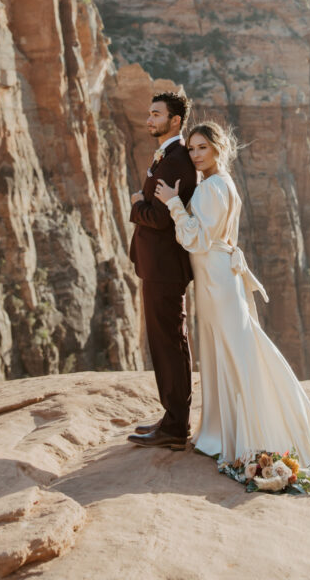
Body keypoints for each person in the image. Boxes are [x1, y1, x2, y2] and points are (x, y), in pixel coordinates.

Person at [154, 120, 310, 493]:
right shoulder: (222, 185)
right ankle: (225, 433)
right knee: (228, 348)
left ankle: (251, 437)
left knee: (235, 351)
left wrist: (173, 204)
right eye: (191, 149)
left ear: (218, 147)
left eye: (202, 147)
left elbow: (195, 240)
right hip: (218, 277)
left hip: (217, 279)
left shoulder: (213, 188)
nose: (195, 154)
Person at [127, 92, 197, 450]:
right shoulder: (168, 156)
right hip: (158, 267)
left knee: (169, 343)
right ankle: (170, 418)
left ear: (175, 120)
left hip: (164, 268)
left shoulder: (175, 161)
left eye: (156, 114)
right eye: (149, 113)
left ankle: (175, 426)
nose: (149, 119)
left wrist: (137, 204)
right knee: (166, 342)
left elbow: (161, 219)